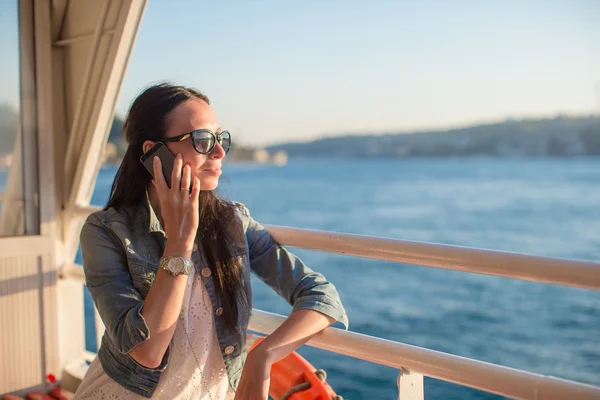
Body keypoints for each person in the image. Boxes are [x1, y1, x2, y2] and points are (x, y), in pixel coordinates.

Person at [74, 83, 348, 400]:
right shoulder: (105, 232)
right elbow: (146, 352)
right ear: (152, 152)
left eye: (221, 138)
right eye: (202, 141)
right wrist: (179, 242)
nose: (219, 152)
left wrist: (263, 356)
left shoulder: (232, 224)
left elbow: (322, 295)